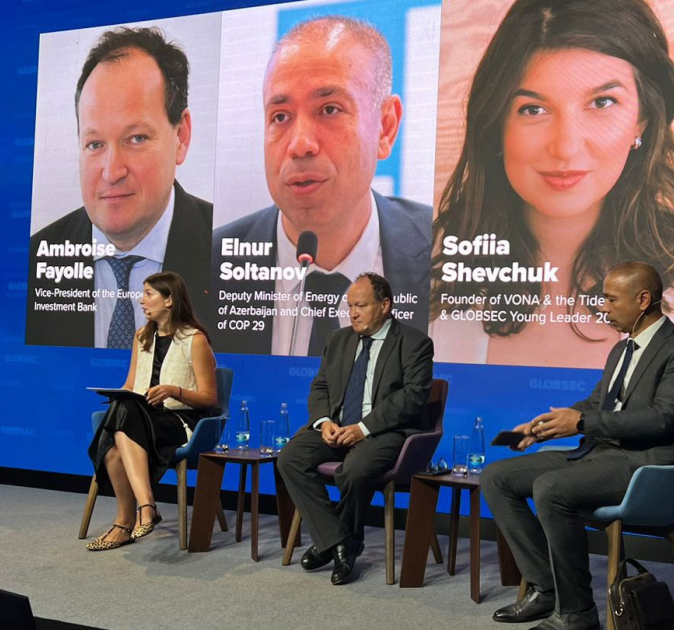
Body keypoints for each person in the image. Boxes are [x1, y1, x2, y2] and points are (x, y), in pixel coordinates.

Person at [429, 0, 674, 369]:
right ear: (496, 124)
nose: (565, 147)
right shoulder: (428, 282)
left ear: (641, 121)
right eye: (533, 109)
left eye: (602, 102)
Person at [481, 262, 674, 630]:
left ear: (643, 300)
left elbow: (662, 418)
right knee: (496, 476)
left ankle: (577, 612)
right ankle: (548, 587)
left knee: (551, 488)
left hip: (646, 464)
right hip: (601, 453)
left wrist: (583, 422)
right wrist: (552, 424)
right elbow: (599, 402)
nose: (603, 306)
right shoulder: (621, 350)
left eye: (610, 299)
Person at [211, 16, 431, 356]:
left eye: (329, 109)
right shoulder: (207, 263)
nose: (300, 144)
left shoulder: (443, 253)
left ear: (385, 128)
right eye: (280, 116)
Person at [27, 27, 213, 349]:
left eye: (136, 138)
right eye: (95, 143)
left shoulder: (225, 251)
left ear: (181, 136)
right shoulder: (34, 259)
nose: (112, 172)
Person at [276, 272, 433, 584]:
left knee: (355, 469)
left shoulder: (414, 342)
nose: (353, 313)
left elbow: (413, 398)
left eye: (361, 305)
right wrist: (324, 422)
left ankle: (337, 545)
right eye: (349, 306)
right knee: (289, 459)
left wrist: (364, 427)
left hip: (386, 431)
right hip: (336, 427)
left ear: (385, 305)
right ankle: (338, 543)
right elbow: (320, 387)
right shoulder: (339, 339)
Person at [85, 271, 218, 550]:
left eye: (148, 294)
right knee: (119, 428)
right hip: (142, 418)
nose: (141, 300)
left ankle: (134, 515)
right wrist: (116, 396)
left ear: (169, 300)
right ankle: (137, 514)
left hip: (179, 421)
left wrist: (174, 391)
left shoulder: (195, 340)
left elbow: (210, 399)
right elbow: (131, 384)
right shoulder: (141, 337)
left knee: (117, 434)